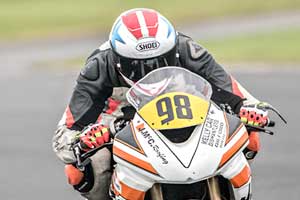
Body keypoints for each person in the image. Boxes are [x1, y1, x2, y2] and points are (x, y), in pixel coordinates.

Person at [52, 8, 269, 200]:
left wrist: (251, 110)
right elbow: (66, 132)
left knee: (248, 137)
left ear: (173, 51)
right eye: (138, 66)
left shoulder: (187, 49)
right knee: (86, 166)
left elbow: (233, 91)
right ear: (118, 60)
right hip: (117, 118)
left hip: (183, 108)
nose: (151, 71)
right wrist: (84, 141)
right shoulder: (98, 67)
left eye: (161, 61)